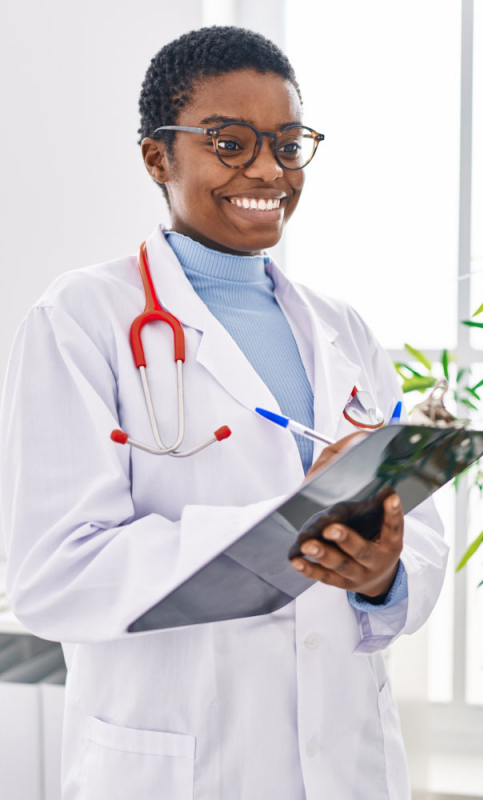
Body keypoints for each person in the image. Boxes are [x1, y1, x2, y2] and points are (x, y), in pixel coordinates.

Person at [0, 27, 447, 800]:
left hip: (346, 764)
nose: (268, 170)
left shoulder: (345, 329)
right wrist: (277, 527)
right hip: (179, 767)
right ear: (156, 158)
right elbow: (53, 573)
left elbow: (422, 538)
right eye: (230, 143)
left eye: (287, 142)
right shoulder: (82, 318)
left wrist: (382, 576)